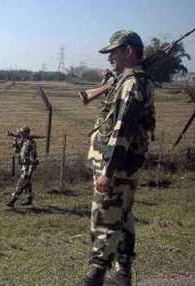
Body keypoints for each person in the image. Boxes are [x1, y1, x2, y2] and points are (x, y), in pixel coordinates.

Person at [79, 30, 156, 286]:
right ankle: (122, 273)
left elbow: (123, 129)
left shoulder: (133, 83)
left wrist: (107, 172)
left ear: (128, 51)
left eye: (113, 52)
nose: (110, 58)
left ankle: (95, 276)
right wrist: (110, 83)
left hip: (116, 166)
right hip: (125, 164)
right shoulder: (128, 81)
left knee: (104, 217)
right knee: (123, 217)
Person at [7, 125, 38, 208]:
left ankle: (13, 201)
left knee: (21, 183)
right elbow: (16, 151)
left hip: (29, 166)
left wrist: (31, 168)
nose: (20, 134)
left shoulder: (31, 143)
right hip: (24, 166)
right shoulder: (23, 141)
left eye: (21, 133)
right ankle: (29, 198)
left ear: (26, 133)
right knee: (27, 183)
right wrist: (15, 141)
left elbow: (33, 156)